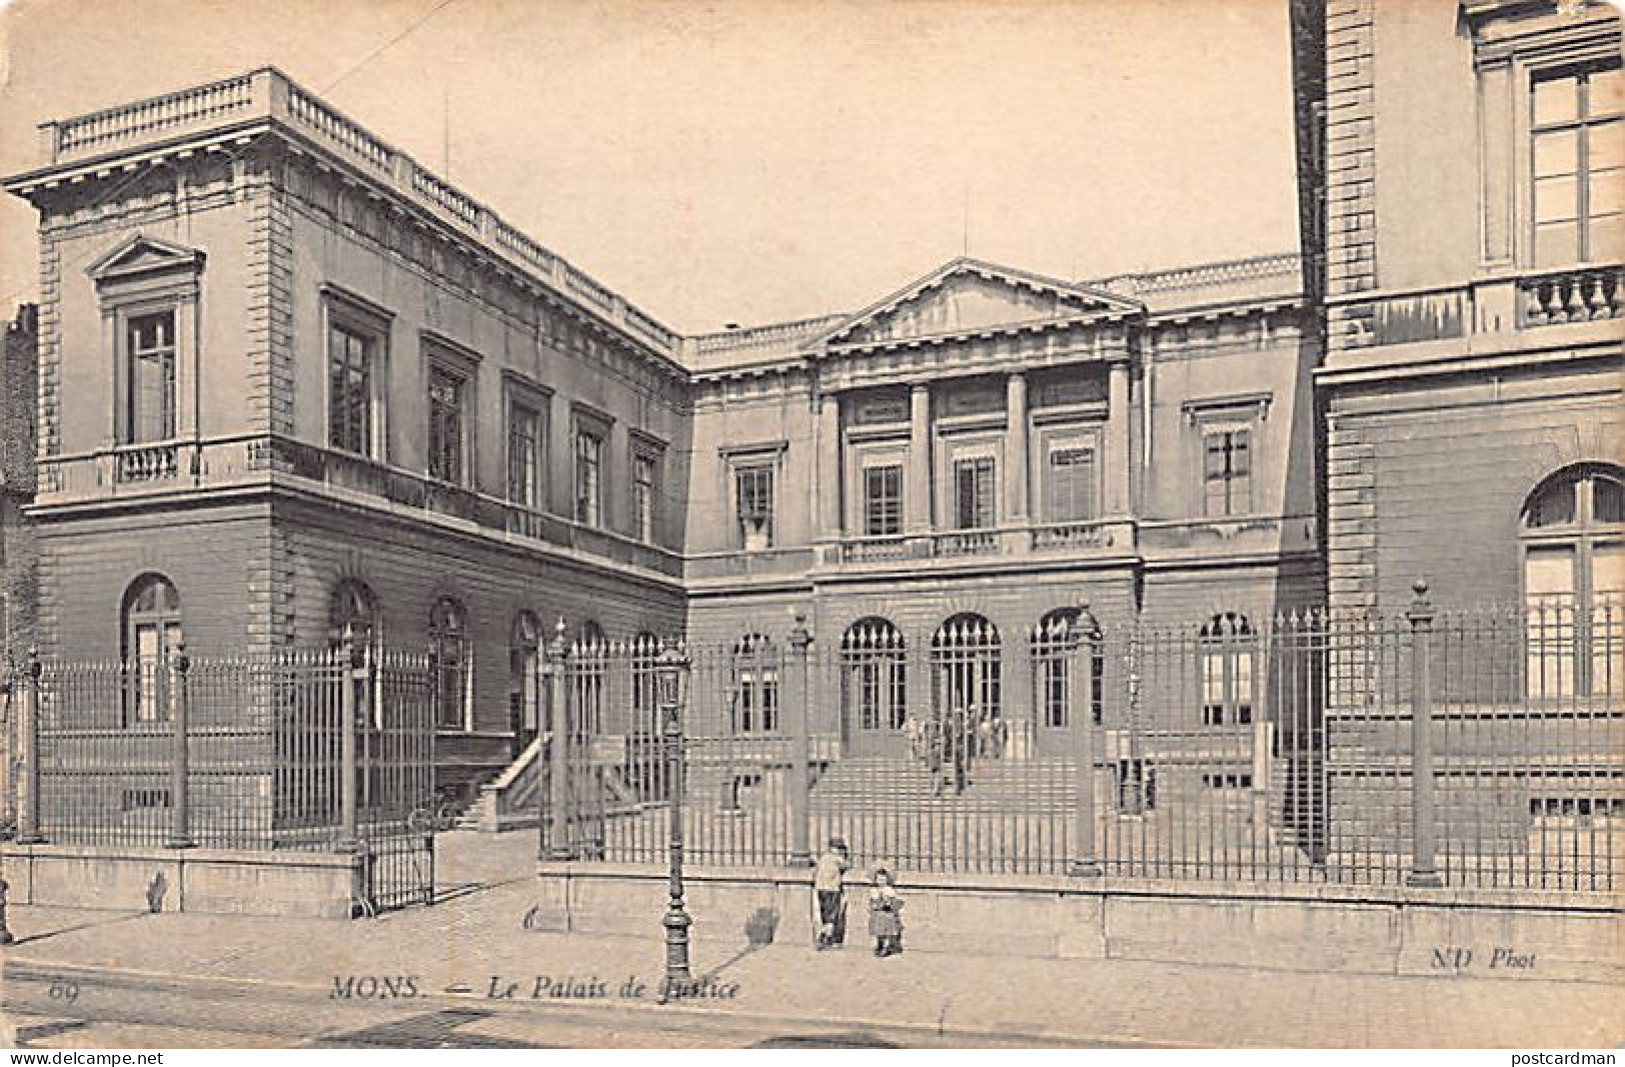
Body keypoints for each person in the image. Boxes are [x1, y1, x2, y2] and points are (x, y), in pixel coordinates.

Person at [812, 836, 850, 949]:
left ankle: (824, 934)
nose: (839, 851)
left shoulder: (823, 858)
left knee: (825, 913)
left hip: (820, 888)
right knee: (832, 915)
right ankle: (826, 937)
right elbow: (846, 866)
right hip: (832, 889)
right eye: (839, 848)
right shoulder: (837, 859)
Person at [868, 867, 905, 957]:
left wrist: (889, 901)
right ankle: (879, 945)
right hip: (877, 913)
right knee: (878, 931)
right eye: (879, 879)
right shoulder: (874, 890)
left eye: (883, 879)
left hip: (887, 913)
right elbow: (873, 901)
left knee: (887, 930)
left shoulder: (889, 890)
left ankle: (887, 946)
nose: (881, 881)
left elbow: (895, 900)